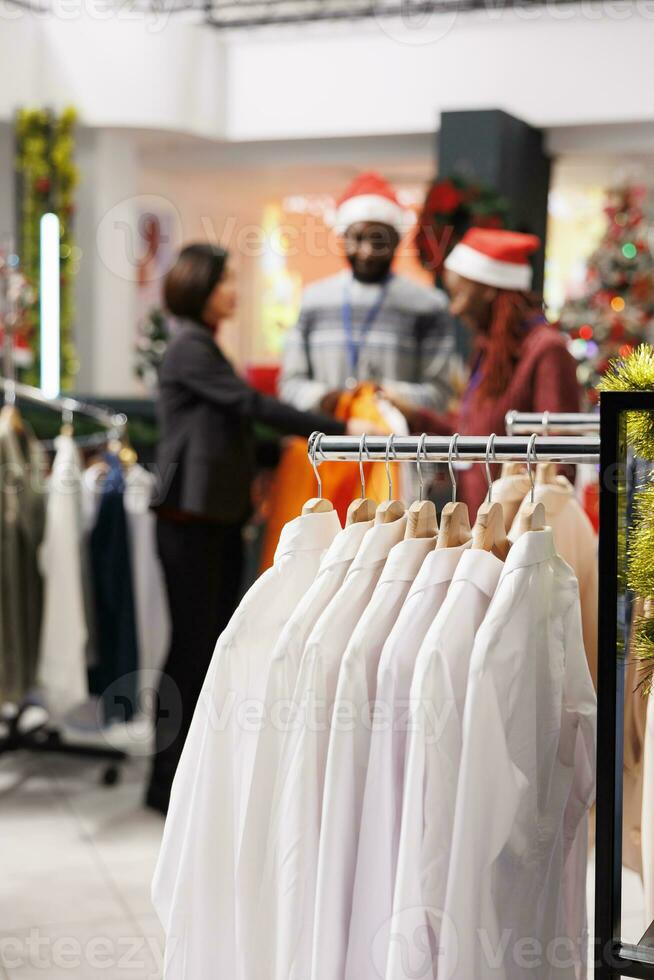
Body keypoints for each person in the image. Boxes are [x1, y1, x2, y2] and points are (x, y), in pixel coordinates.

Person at [146, 243, 366, 815]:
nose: (233, 293)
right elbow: (247, 406)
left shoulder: (202, 348)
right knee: (192, 645)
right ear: (199, 286)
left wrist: (289, 452)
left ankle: (184, 775)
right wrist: (337, 428)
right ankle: (165, 779)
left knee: (206, 641)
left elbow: (232, 428)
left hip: (208, 517)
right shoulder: (190, 349)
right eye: (224, 283)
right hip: (188, 519)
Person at [397, 227, 581, 513]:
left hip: (517, 538)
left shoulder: (546, 350)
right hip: (482, 526)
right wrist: (413, 416)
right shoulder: (490, 351)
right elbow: (473, 435)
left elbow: (558, 463)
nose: (454, 310)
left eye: (458, 295)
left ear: (488, 290)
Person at [280, 171, 457, 416]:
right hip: (324, 447)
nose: (367, 252)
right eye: (358, 238)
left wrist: (383, 397)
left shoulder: (428, 304)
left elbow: (440, 394)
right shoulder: (313, 300)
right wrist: (328, 399)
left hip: (397, 450)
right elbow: (290, 385)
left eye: (379, 241)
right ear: (342, 237)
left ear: (397, 241)